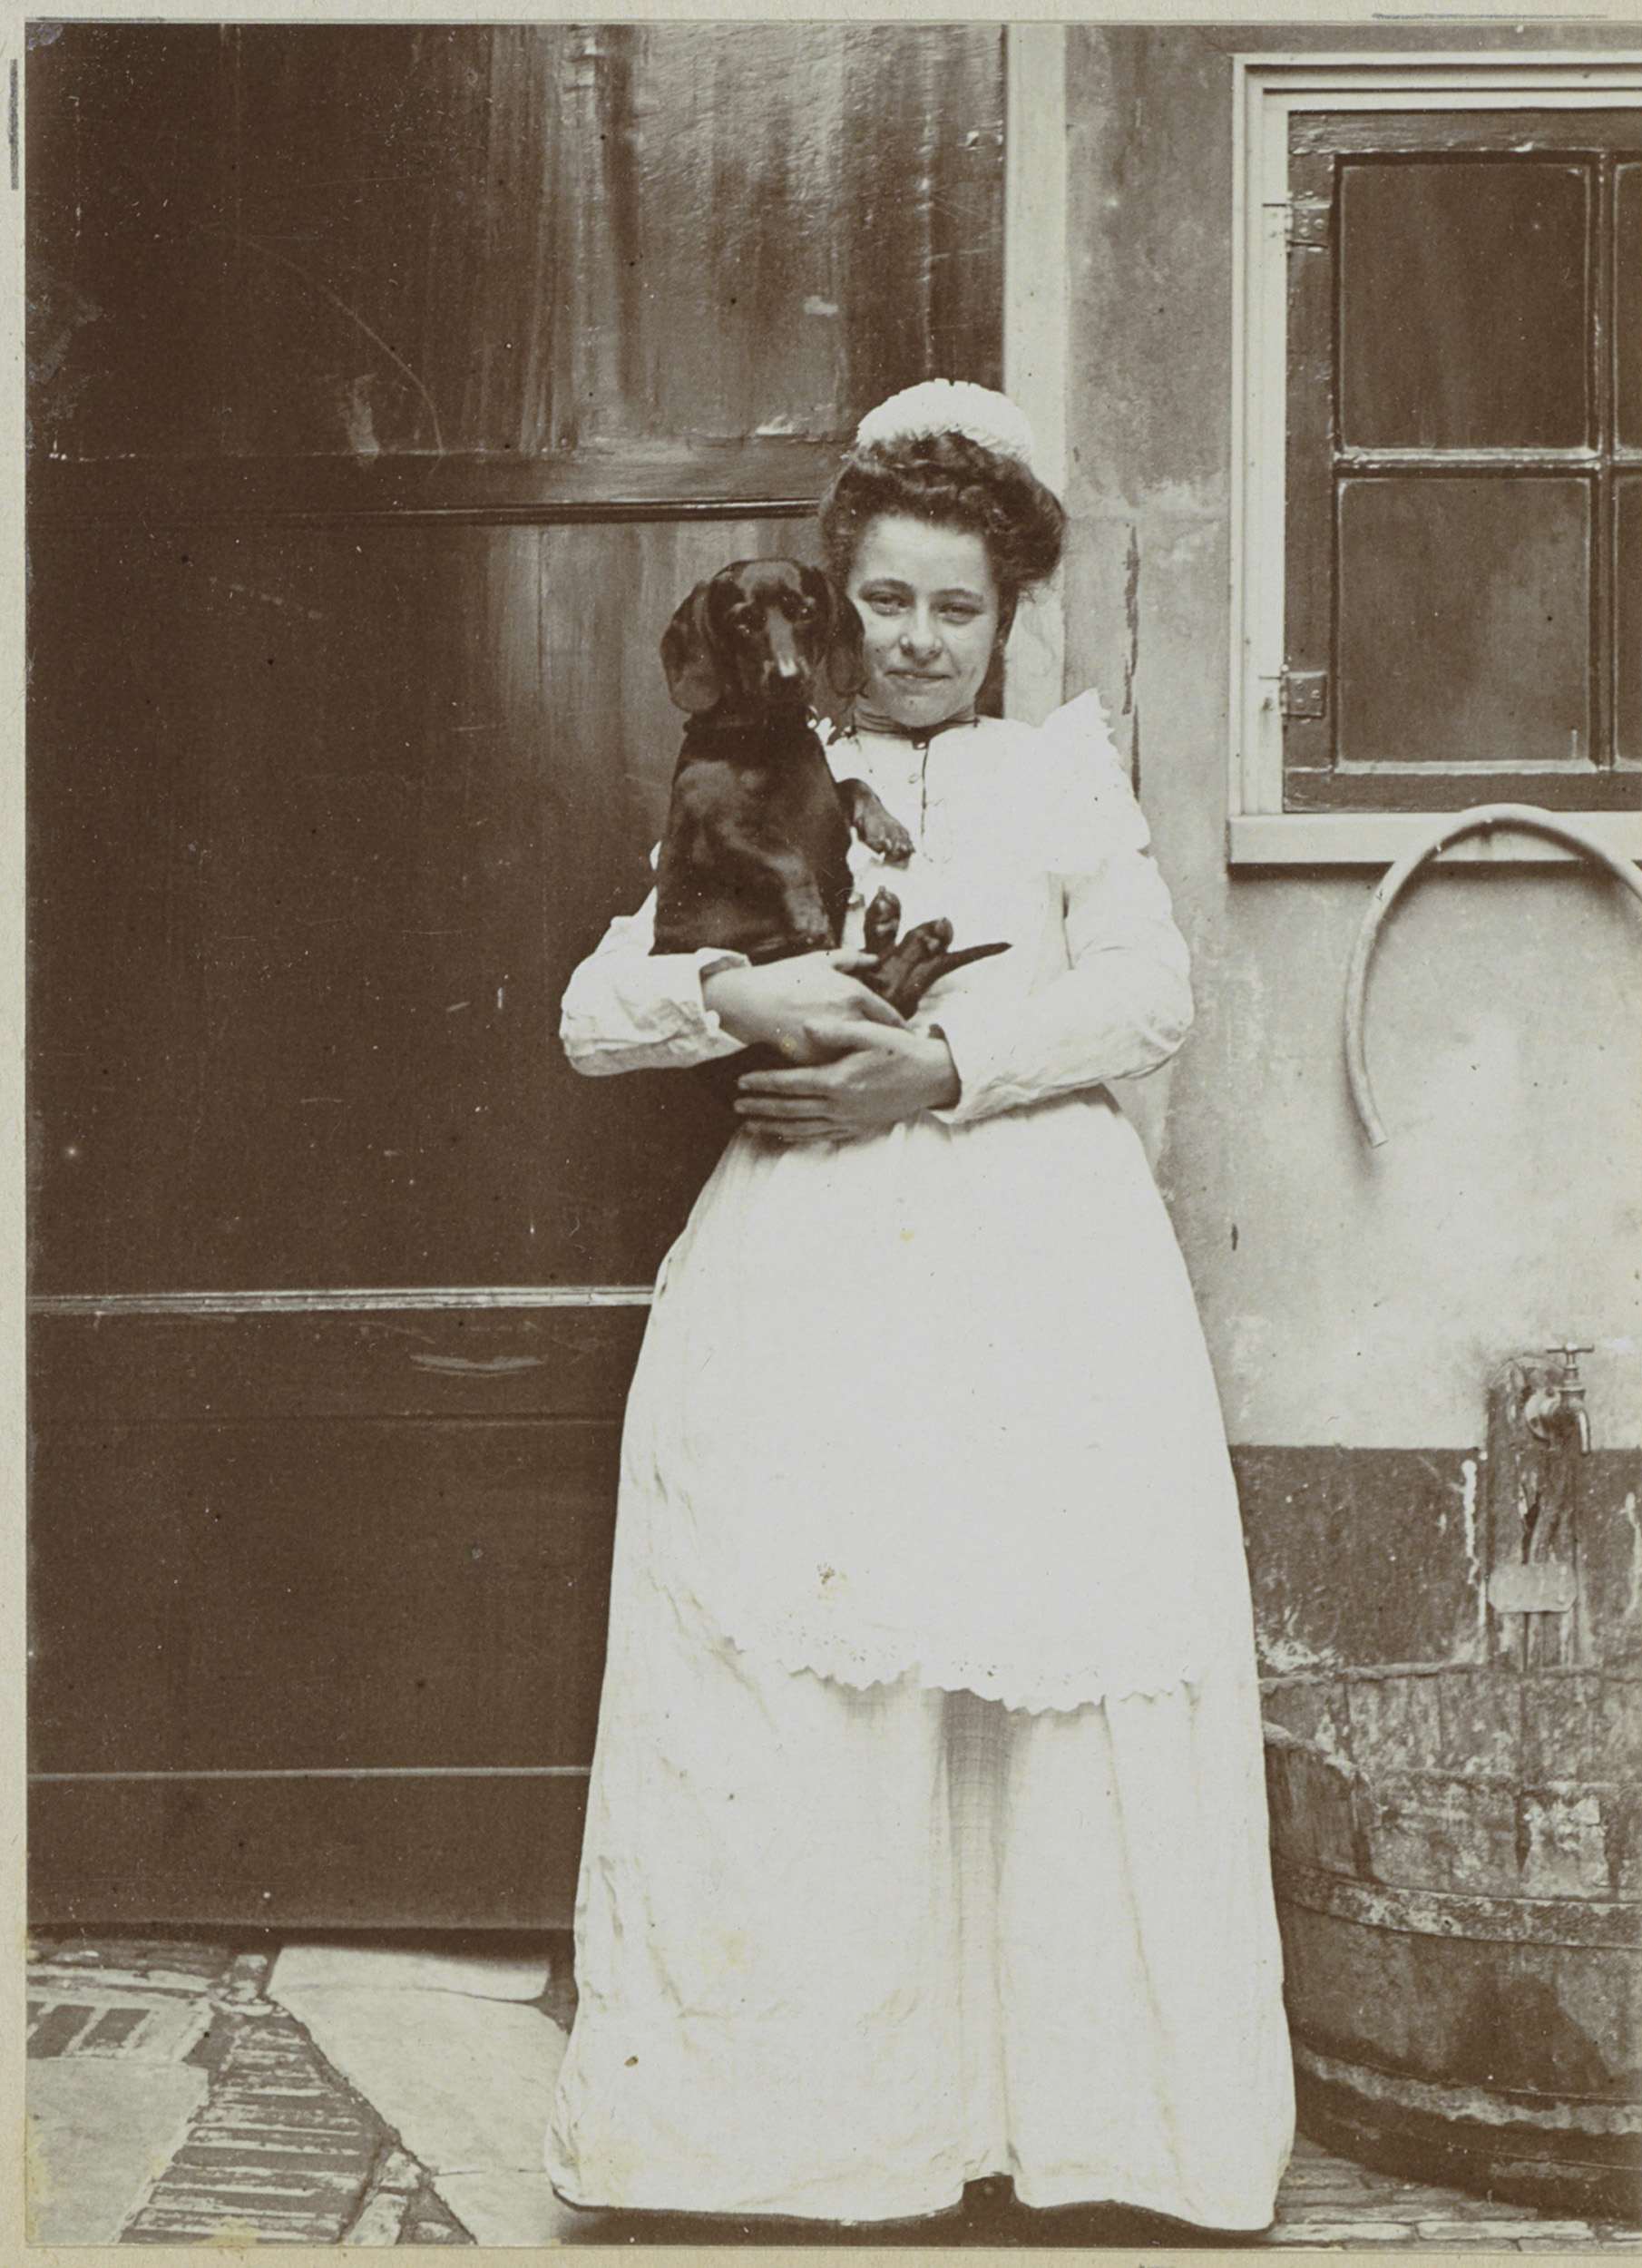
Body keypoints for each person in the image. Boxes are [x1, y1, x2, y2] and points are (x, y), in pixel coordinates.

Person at [545, 380, 1295, 2234]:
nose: (919, 638)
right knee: (816, 1680)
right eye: (886, 598)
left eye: (958, 606)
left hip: (1038, 1270)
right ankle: (796, 2138)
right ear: (839, 595)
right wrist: (740, 999)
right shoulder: (762, 771)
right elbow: (593, 1011)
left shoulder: (1057, 777)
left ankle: (1079, 2128)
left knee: (1042, 1669)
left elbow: (1146, 995)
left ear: (1007, 612)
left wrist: (942, 1068)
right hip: (809, 1276)